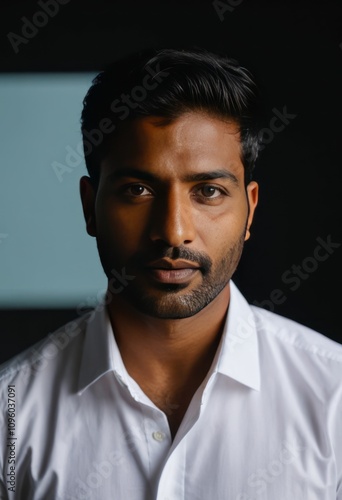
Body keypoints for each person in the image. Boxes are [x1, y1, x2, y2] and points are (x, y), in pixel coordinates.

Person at [0, 46, 341, 500]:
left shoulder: (334, 399)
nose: (173, 231)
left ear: (250, 211)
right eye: (137, 189)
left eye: (208, 191)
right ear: (90, 207)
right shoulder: (11, 416)